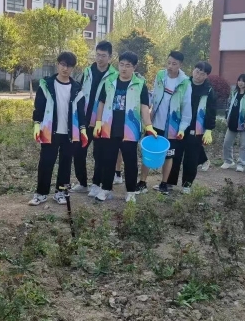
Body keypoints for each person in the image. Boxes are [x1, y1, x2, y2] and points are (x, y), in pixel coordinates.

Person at [93, 51, 155, 202]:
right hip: (110, 128)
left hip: (130, 129)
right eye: (121, 65)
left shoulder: (140, 85)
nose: (124, 68)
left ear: (134, 67)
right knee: (108, 160)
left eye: (128, 65)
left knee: (131, 162)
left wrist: (148, 125)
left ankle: (131, 192)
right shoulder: (109, 82)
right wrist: (98, 122)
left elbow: (144, 106)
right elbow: (101, 102)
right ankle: (105, 189)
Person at [29, 52, 85, 206]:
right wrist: (36, 124)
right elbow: (38, 107)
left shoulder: (77, 88)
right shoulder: (46, 84)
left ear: (73, 68)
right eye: (62, 64)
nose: (65, 68)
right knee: (46, 162)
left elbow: (81, 111)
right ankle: (41, 193)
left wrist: (82, 129)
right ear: (58, 64)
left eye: (69, 66)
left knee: (66, 163)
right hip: (49, 131)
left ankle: (61, 192)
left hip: (69, 133)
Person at [138, 51, 192, 195]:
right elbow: (153, 96)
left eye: (174, 64)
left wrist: (182, 128)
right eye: (168, 63)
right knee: (147, 152)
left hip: (173, 128)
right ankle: (142, 182)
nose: (170, 66)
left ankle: (164, 184)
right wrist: (147, 118)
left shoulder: (185, 83)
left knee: (169, 155)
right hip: (155, 123)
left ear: (180, 65)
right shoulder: (160, 76)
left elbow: (187, 109)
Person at [72, 41, 118, 197]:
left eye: (103, 56)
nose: (100, 58)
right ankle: (82, 183)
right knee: (78, 152)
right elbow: (77, 91)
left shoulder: (114, 76)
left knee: (99, 154)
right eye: (98, 55)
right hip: (83, 120)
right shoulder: (87, 71)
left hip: (101, 121)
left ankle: (96, 184)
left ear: (110, 57)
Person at [167, 61, 217, 193]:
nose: (198, 75)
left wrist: (209, 129)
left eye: (202, 74)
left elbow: (211, 111)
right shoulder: (184, 83)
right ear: (192, 70)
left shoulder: (209, 90)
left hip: (196, 128)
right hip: (178, 125)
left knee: (191, 157)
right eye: (197, 71)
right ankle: (170, 182)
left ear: (206, 76)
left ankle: (187, 185)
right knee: (175, 155)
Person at [221, 74, 245, 172]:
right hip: (233, 122)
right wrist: (228, 117)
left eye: (243, 81)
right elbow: (230, 106)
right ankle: (228, 161)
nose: (240, 82)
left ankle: (241, 163)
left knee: (243, 145)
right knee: (227, 142)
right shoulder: (235, 92)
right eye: (239, 80)